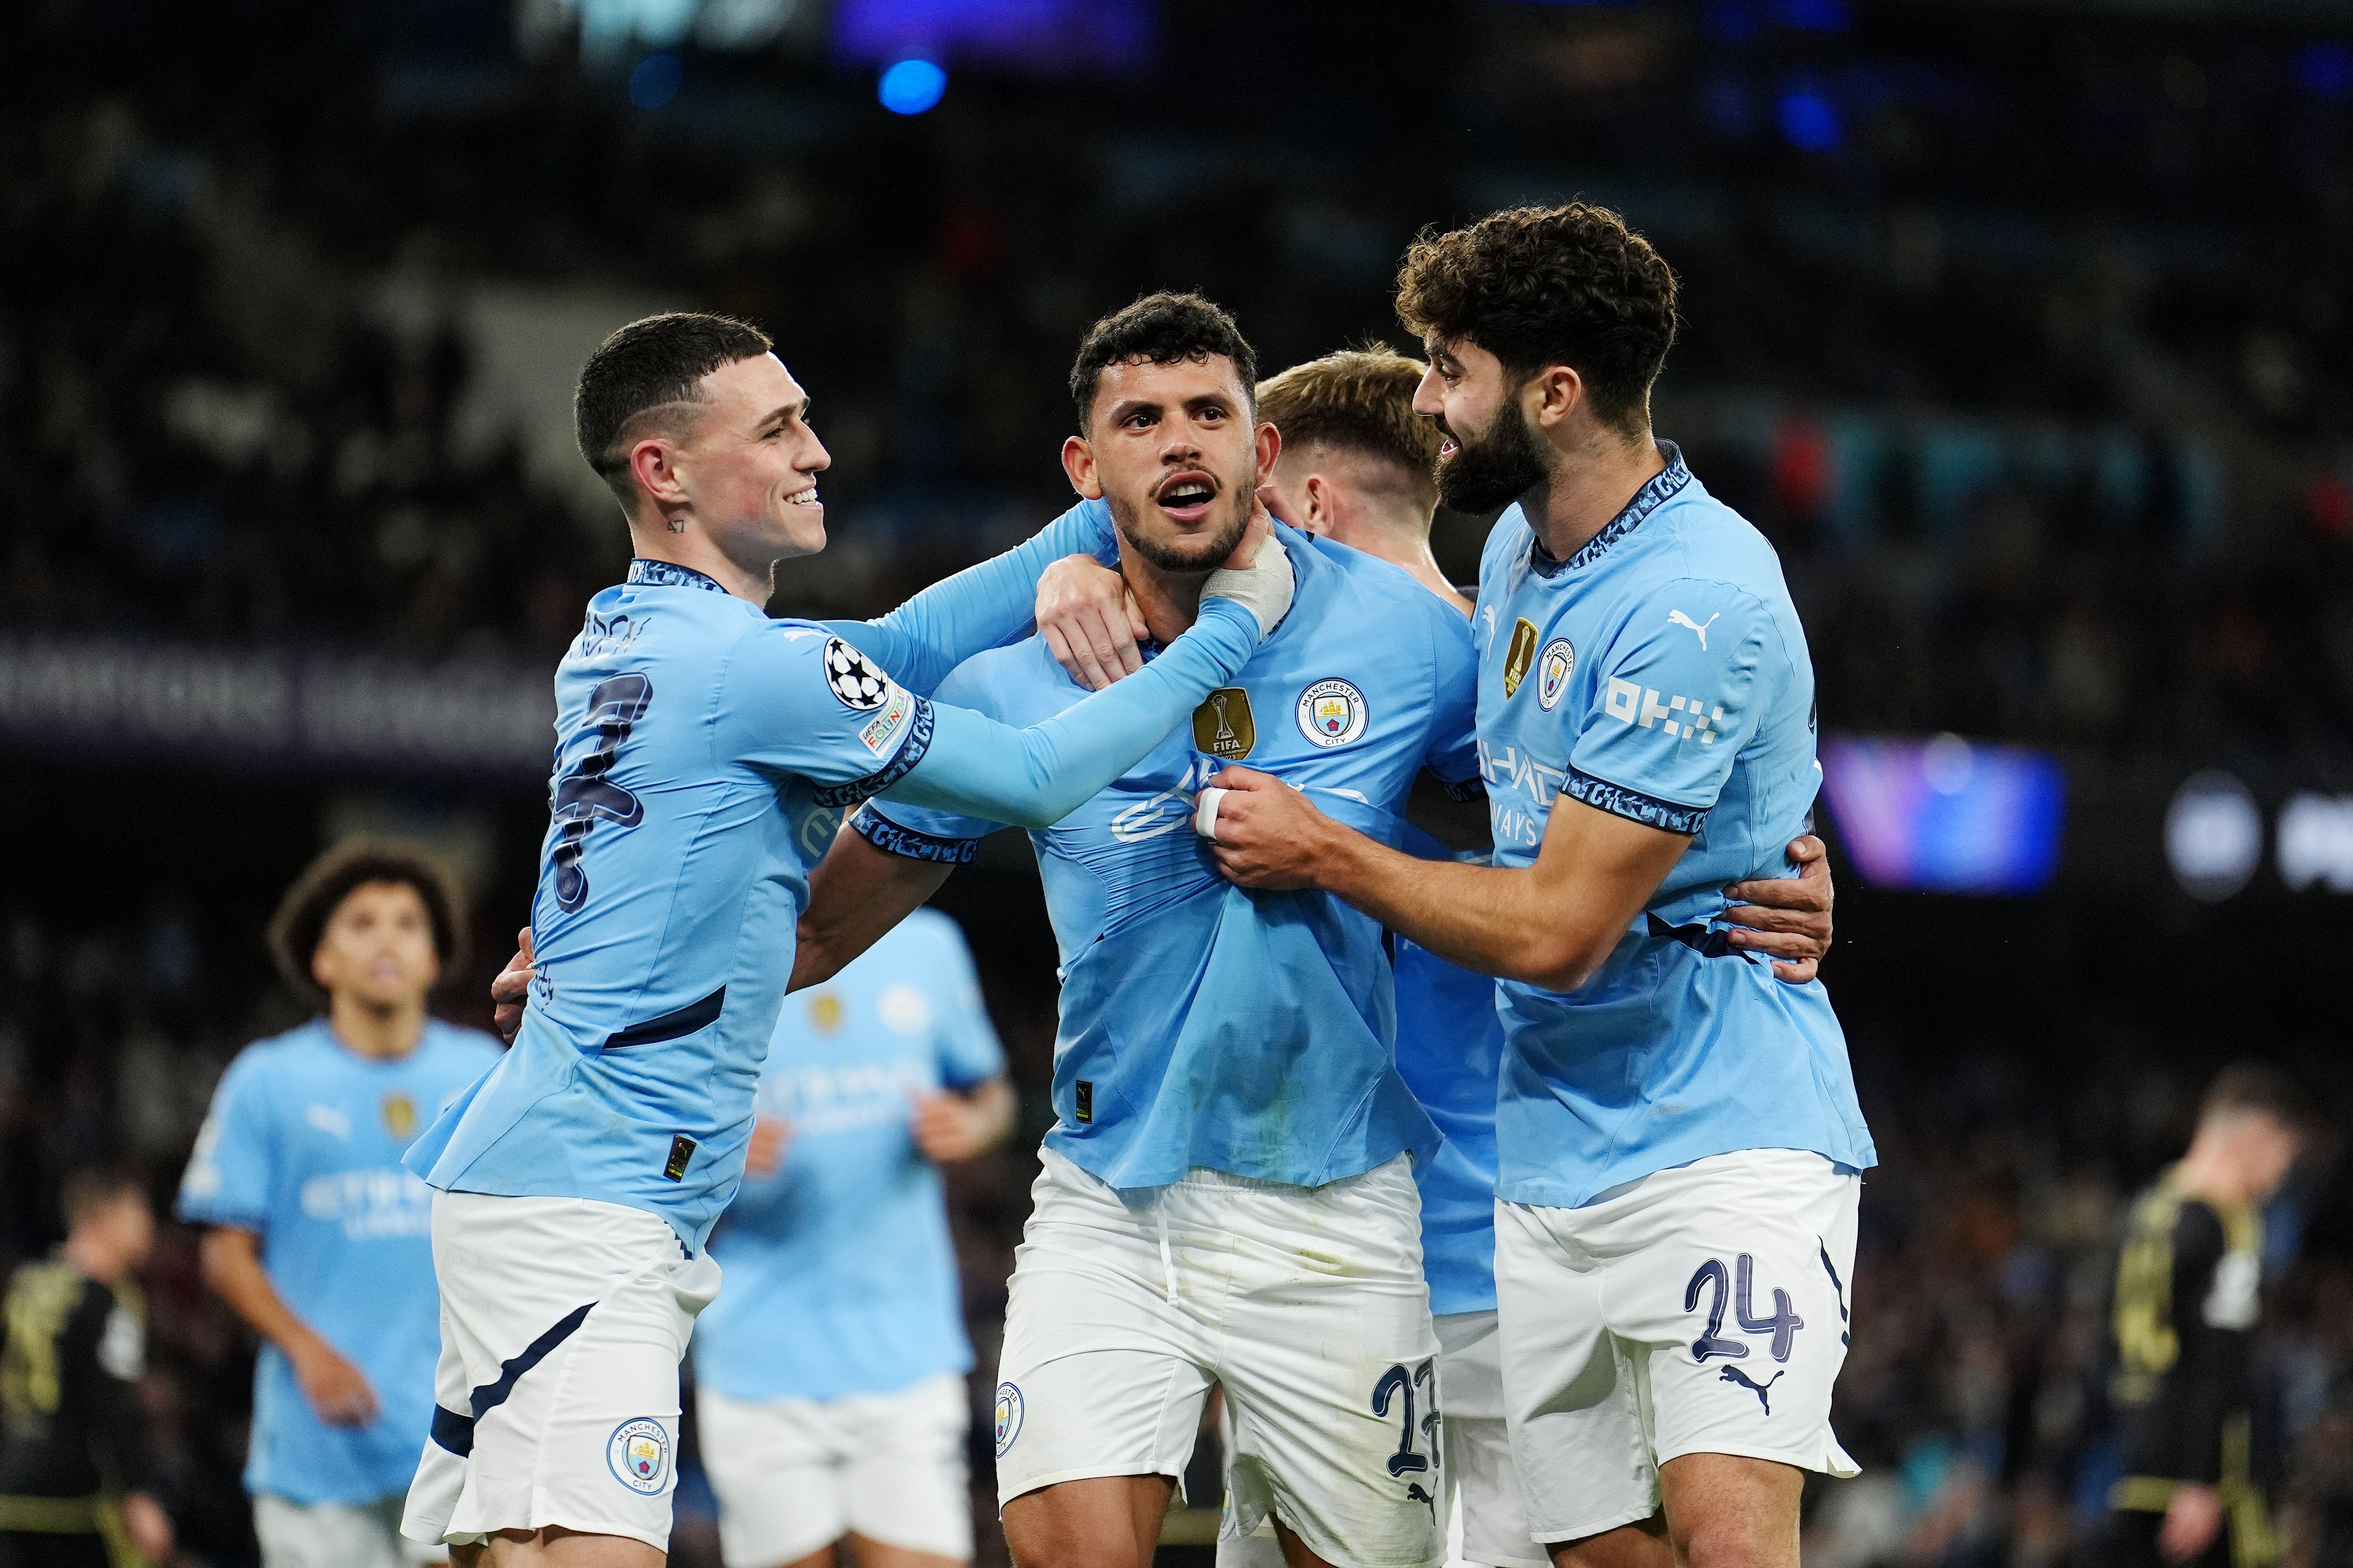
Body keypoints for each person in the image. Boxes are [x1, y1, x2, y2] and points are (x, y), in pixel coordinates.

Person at [793, 294, 1835, 1568]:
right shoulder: (1012, 675)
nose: (1179, 444)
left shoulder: (1405, 638)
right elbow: (815, 932)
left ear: (1264, 456)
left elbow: (1557, 810)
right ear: (1085, 468)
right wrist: (597, 970)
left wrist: (1756, 871)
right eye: (1139, 421)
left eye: (1208, 415)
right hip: (1108, 1198)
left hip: (1342, 1216)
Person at [399, 311, 1293, 1568]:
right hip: (586, 1203)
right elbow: (1037, 776)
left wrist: (1106, 523)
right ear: (663, 472)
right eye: (776, 430)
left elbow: (904, 645)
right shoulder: (753, 674)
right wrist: (1228, 629)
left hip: (545, 1181)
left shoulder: (636, 635)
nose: (818, 451)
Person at [1204, 205, 1877, 1568]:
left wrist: (1322, 849)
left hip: (1718, 1133)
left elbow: (1564, 928)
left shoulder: (1698, 602)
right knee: (1593, 1552)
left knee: (1731, 1539)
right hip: (1552, 1154)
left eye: (1452, 371)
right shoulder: (1519, 550)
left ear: (1555, 394)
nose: (1430, 404)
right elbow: (1493, 788)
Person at [177, 840, 499, 1568]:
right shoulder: (268, 1081)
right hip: (315, 1459)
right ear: (322, 961)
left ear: (435, 958)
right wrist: (308, 1350)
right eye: (361, 922)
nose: (386, 938)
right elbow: (224, 1254)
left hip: (457, 1444)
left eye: (407, 923)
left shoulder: (483, 1074)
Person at [691, 909, 1014, 1568]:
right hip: (759, 1356)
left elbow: (994, 1096)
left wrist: (975, 1125)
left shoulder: (929, 943)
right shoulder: (711, 947)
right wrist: (707, 1147)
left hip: (906, 1351)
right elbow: (645, 1128)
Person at [2104, 1064, 2310, 1568]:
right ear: (2256, 1134)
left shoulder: (2146, 1211)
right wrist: (2201, 1480)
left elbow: (2108, 1348)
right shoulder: (2229, 1222)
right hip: (2202, 1492)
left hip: (2136, 1472)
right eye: (2284, 1153)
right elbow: (2220, 1358)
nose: (2281, 1174)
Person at [0, 1170, 174, 1568]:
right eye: (139, 1211)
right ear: (102, 1217)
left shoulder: (27, 1283)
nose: (149, 1226)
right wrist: (139, 1492)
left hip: (10, 1491)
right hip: (74, 1502)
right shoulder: (109, 1299)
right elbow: (110, 1403)